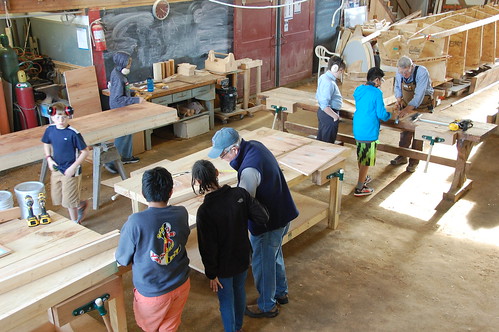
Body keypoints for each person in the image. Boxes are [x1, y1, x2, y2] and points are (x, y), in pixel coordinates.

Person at [208, 127, 299, 318]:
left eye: (223, 155)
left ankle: (267, 306)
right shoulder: (254, 146)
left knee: (263, 265)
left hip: (268, 224)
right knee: (274, 256)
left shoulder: (249, 169)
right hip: (282, 214)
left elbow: (242, 204)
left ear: (234, 149)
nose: (222, 159)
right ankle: (281, 293)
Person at [192, 159, 269, 332]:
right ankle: (238, 327)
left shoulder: (205, 211)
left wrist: (211, 273)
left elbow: (207, 247)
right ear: (217, 173)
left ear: (198, 182)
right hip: (242, 257)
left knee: (226, 300)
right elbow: (262, 217)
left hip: (223, 266)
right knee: (239, 291)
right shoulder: (239, 194)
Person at [115, 167, 190, 332]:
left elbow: (122, 258)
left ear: (143, 193)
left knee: (150, 327)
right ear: (171, 191)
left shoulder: (136, 221)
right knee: (170, 326)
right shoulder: (181, 213)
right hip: (181, 283)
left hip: (153, 293)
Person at [353, 67, 398, 197]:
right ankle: (360, 188)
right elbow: (381, 114)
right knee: (366, 160)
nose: (381, 84)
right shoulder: (376, 93)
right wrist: (391, 113)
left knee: (361, 154)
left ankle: (363, 177)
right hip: (369, 129)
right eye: (381, 81)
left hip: (358, 127)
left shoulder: (359, 89)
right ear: (377, 80)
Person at [42, 102, 89, 224]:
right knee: (58, 197)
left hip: (70, 170)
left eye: (64, 117)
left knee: (69, 201)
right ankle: (80, 204)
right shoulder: (50, 130)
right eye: (57, 117)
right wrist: (49, 159)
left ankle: (75, 222)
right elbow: (46, 143)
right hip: (57, 168)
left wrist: (74, 167)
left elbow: (85, 151)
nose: (61, 120)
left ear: (69, 116)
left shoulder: (73, 133)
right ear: (52, 117)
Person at [392, 55, 434, 173]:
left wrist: (406, 110)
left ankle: (414, 161)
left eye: (406, 72)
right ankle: (402, 156)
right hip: (407, 104)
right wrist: (399, 100)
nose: (404, 75)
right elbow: (397, 87)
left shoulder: (421, 72)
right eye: (402, 72)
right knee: (405, 130)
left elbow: (419, 95)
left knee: (418, 133)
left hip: (422, 105)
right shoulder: (399, 71)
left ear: (412, 66)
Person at [105, 51, 145, 174]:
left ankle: (126, 157)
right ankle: (111, 163)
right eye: (128, 63)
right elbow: (117, 99)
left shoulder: (120, 74)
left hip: (124, 108)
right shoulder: (117, 76)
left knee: (128, 133)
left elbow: (123, 91)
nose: (129, 65)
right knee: (122, 136)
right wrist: (136, 100)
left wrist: (132, 93)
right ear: (122, 63)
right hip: (119, 110)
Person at [316, 55, 346, 144]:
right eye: (341, 71)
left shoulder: (323, 77)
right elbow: (325, 105)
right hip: (329, 113)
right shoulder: (329, 83)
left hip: (323, 112)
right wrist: (335, 116)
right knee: (328, 145)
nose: (341, 73)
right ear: (335, 69)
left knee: (321, 141)